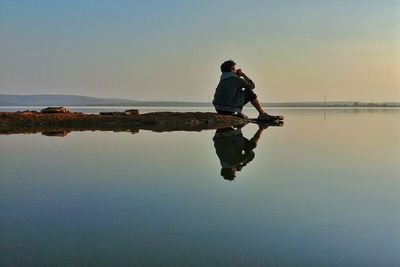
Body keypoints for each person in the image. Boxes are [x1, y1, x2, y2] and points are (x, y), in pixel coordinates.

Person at [212, 59, 279, 120]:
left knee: (238, 90)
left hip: (218, 109)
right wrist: (243, 75)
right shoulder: (236, 79)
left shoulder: (222, 79)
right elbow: (252, 86)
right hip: (228, 110)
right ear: (232, 69)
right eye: (235, 69)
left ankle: (239, 113)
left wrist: (237, 76)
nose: (236, 70)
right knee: (249, 91)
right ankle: (262, 114)